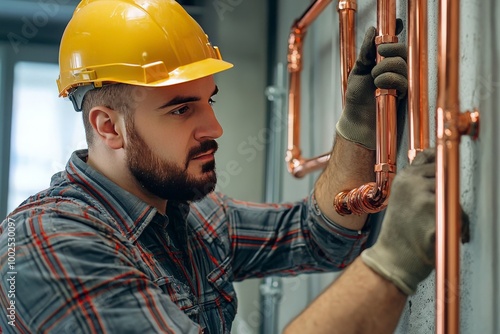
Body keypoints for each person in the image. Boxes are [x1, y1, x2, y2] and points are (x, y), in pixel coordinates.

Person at [0, 1, 434, 333]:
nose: (215, 127)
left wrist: (359, 126)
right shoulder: (43, 245)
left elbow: (319, 234)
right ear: (109, 126)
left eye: (210, 100)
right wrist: (394, 263)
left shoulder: (192, 213)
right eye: (181, 110)